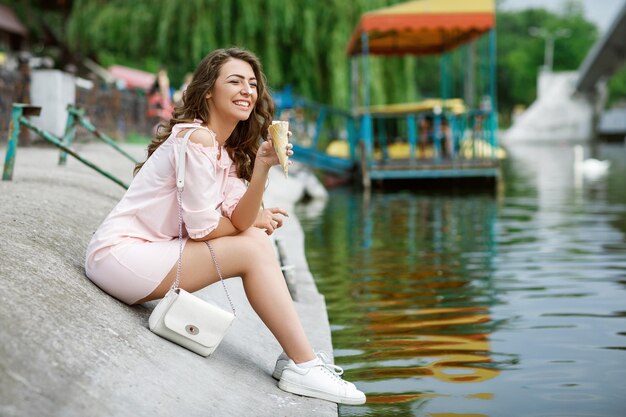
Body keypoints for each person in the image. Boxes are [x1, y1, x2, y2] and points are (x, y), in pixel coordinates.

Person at [84, 47, 366, 405]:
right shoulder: (196, 138)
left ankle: (295, 358)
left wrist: (263, 167)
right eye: (234, 81)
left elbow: (240, 219)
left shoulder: (227, 150)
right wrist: (253, 222)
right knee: (252, 244)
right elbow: (203, 228)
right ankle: (304, 364)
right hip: (119, 255)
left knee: (253, 237)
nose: (247, 90)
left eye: (252, 83)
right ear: (207, 92)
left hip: (152, 252)